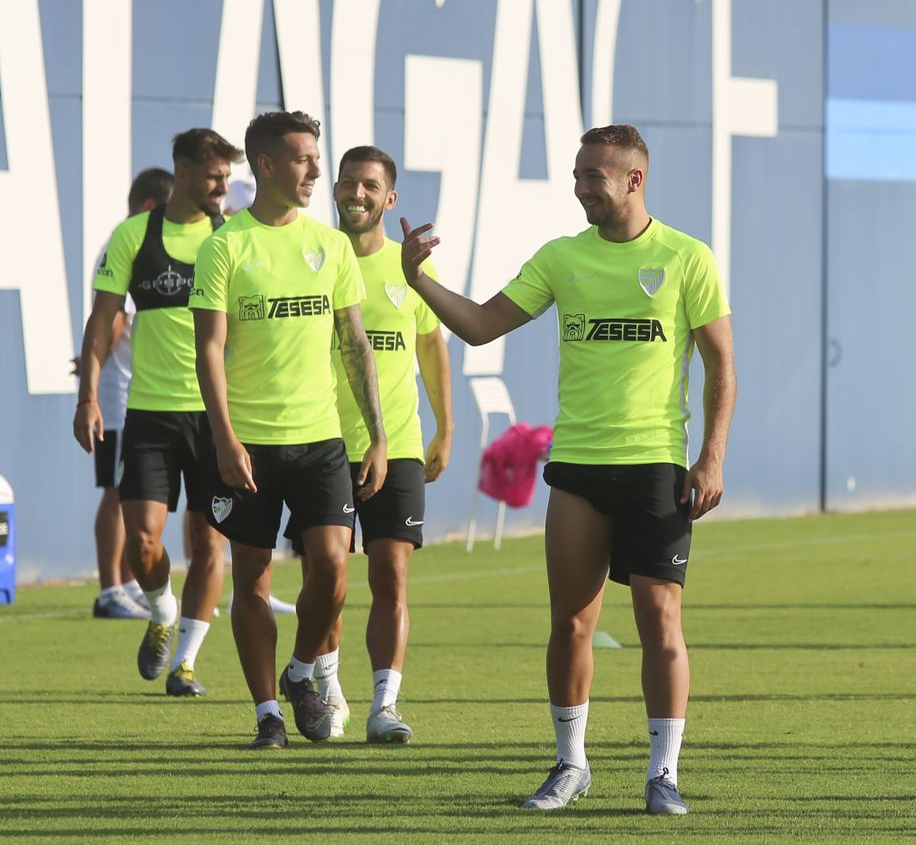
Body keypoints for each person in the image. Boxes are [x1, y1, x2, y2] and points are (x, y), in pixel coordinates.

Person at [396, 123, 735, 816]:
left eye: (594, 177)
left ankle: (662, 772)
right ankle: (570, 762)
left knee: (659, 620)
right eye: (578, 175)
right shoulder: (561, 257)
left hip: (655, 468)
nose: (581, 188)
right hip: (578, 466)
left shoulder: (686, 257)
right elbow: (483, 324)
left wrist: (712, 456)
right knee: (571, 624)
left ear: (634, 181)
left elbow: (723, 366)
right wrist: (417, 280)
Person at [191, 110, 385, 750]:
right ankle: (267, 714)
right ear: (267, 165)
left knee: (332, 569)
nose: (314, 170)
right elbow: (210, 350)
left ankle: (301, 672)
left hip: (321, 440)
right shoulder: (226, 246)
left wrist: (378, 437)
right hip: (248, 443)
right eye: (302, 158)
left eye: (315, 157)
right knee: (252, 577)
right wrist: (224, 438)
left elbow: (354, 342)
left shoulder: (330, 245)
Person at [296, 145, 454, 744]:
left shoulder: (411, 269)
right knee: (326, 579)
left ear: (390, 198)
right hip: (320, 443)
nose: (355, 195)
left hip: (400, 445)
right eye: (346, 184)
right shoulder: (311, 256)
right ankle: (329, 690)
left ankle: (384, 705)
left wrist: (446, 426)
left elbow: (433, 347)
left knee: (390, 572)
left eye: (369, 186)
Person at [75, 133, 239, 696]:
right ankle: (163, 610)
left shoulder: (234, 237)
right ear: (185, 173)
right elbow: (102, 321)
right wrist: (89, 397)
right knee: (144, 540)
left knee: (210, 541)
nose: (224, 187)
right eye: (215, 176)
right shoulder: (133, 236)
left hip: (218, 418)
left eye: (227, 177)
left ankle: (186, 662)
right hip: (148, 414)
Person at [84, 168, 174, 620]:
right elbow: (113, 318)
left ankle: (125, 585)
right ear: (149, 209)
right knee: (117, 492)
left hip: (132, 393)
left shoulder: (140, 243)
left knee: (130, 494)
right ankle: (109, 589)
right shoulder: (131, 243)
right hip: (120, 396)